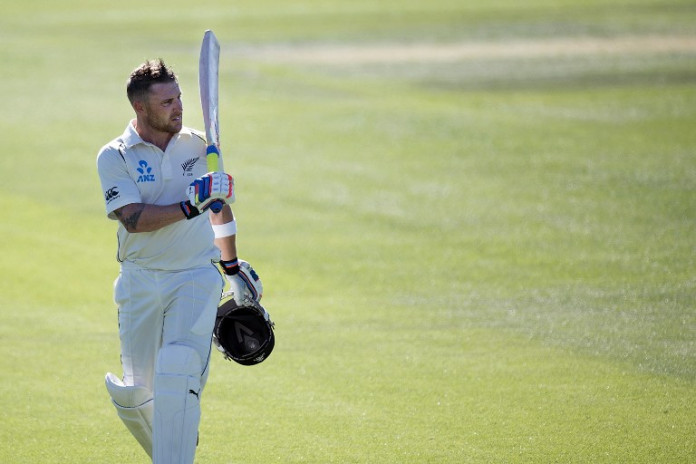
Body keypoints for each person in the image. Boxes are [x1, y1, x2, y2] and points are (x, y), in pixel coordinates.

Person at [96, 58, 254, 463]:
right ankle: (176, 444)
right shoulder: (115, 156)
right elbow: (133, 220)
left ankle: (176, 445)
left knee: (178, 369)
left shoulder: (200, 145)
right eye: (166, 102)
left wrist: (232, 267)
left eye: (179, 97)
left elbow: (217, 208)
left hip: (194, 276)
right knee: (137, 395)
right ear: (141, 109)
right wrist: (189, 205)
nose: (178, 107)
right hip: (140, 279)